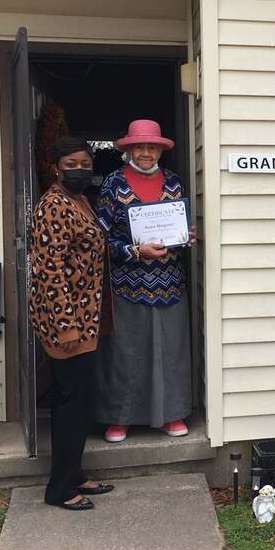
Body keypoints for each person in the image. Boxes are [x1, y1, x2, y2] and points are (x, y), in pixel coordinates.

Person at [95, 119, 195, 443]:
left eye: (152, 147)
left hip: (169, 283)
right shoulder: (113, 184)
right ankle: (120, 418)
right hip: (127, 284)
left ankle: (172, 414)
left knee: (170, 350)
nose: (146, 153)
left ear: (160, 151)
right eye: (140, 147)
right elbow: (100, 239)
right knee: (126, 354)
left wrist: (186, 236)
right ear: (129, 150)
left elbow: (180, 227)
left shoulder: (175, 184)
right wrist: (134, 251)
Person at [28, 136, 114, 510]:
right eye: (71, 164)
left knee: (81, 400)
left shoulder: (76, 200)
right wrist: (65, 326)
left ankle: (74, 473)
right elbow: (50, 273)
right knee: (72, 403)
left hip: (85, 319)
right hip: (67, 322)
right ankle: (59, 488)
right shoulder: (52, 206)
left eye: (85, 163)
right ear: (56, 167)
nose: (79, 169)